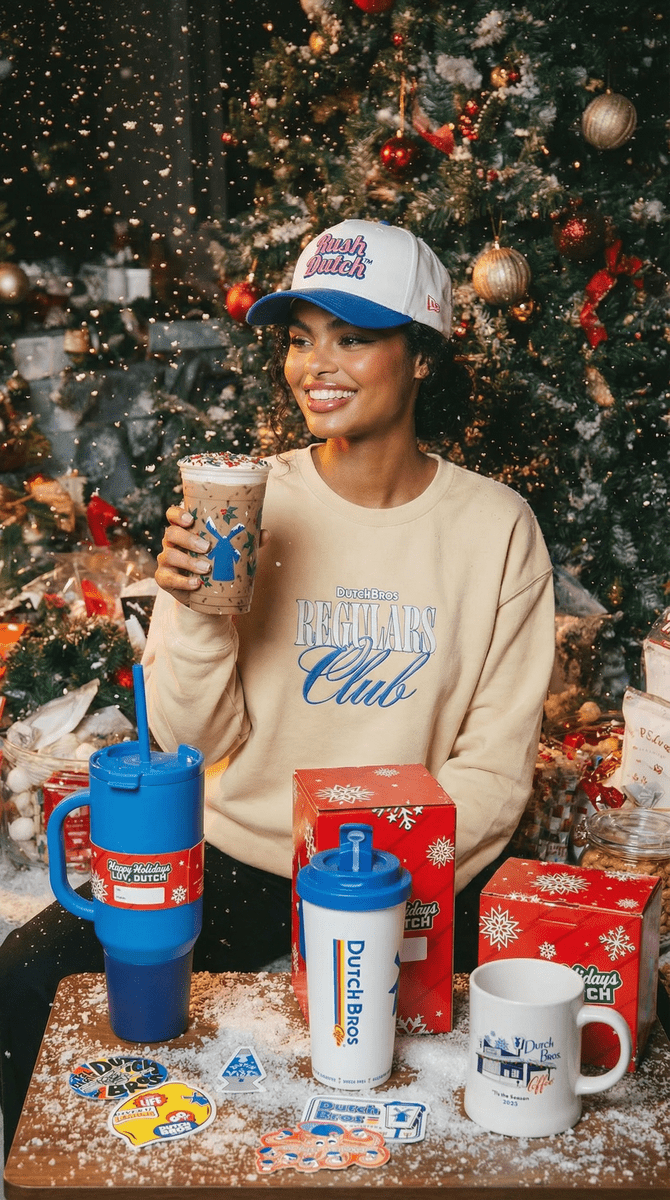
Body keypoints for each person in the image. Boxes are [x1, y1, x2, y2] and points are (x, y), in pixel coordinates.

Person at [0, 219, 555, 1160]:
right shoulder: (248, 503)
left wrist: (371, 894)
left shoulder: (496, 527)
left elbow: (495, 772)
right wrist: (201, 611)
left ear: (421, 357)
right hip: (241, 860)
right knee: (26, 983)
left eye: (353, 335)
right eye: (300, 337)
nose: (315, 364)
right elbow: (193, 739)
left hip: (416, 873)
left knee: (505, 1074)